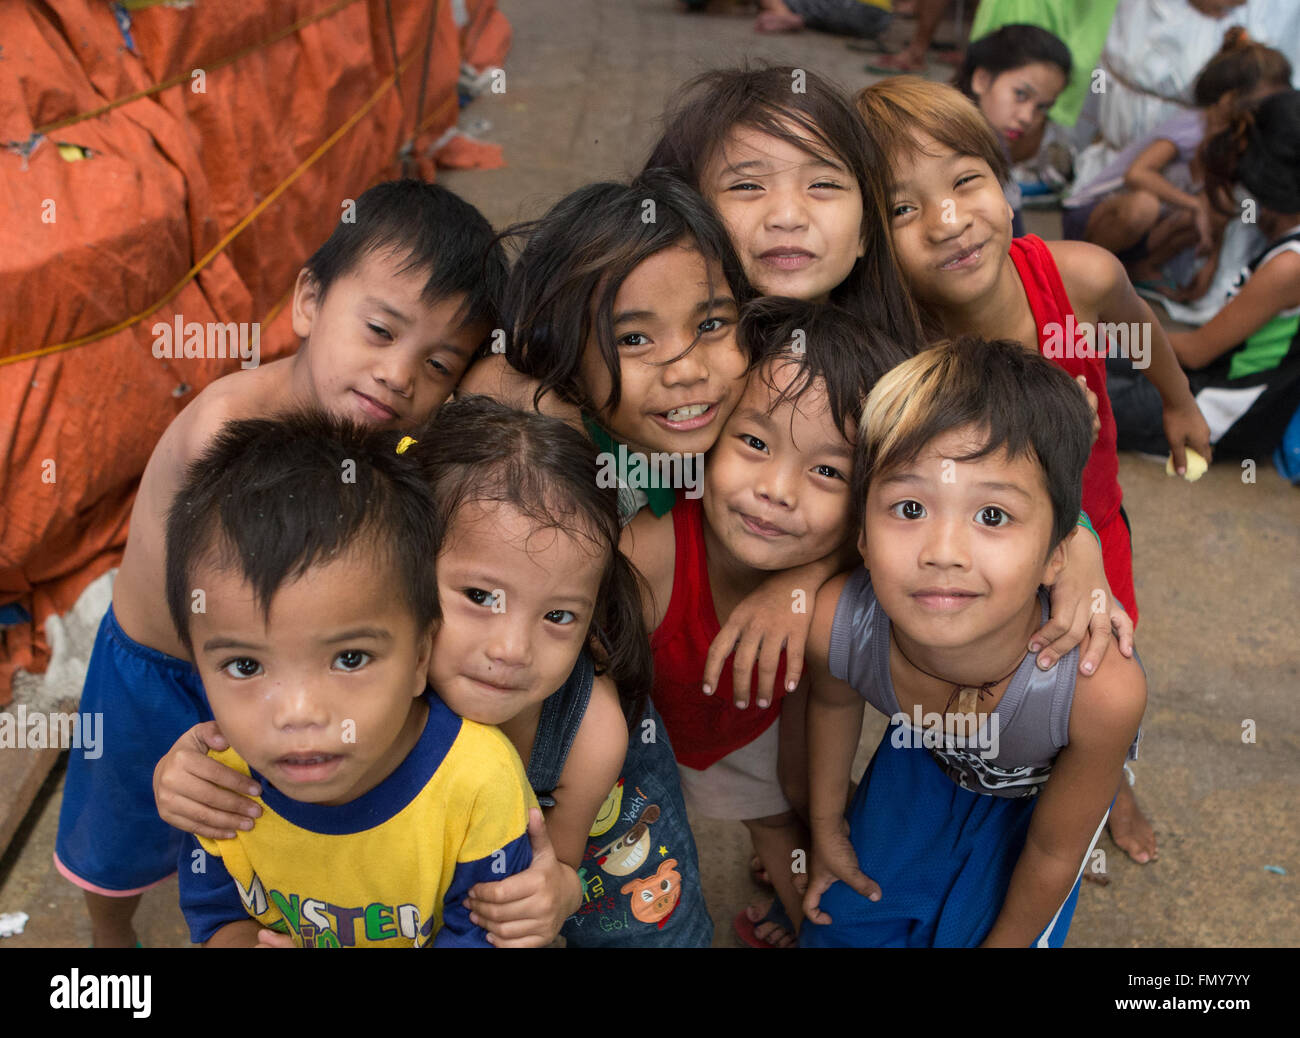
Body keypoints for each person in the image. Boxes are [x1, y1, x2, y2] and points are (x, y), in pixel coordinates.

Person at [54, 179, 507, 947]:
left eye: (438, 365)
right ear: (307, 304)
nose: (399, 375)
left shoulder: (386, 443)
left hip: (281, 659)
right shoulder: (226, 433)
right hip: (164, 666)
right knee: (125, 819)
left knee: (259, 811)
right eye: (378, 329)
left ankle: (269, 910)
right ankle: (109, 935)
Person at [156, 397, 710, 947]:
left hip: (610, 855)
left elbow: (558, 861)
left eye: (559, 615)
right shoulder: (340, 675)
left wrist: (561, 893)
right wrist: (180, 775)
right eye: (478, 596)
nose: (513, 648)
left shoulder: (593, 730)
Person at [855, 75, 1212, 862]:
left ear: (1007, 184)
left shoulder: (1076, 276)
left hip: (1097, 519)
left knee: (1101, 660)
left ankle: (1105, 776)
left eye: (965, 181)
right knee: (1009, 675)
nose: (948, 222)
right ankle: (1006, 775)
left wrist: (1180, 403)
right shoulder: (904, 354)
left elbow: (1139, 329)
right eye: (903, 209)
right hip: (986, 548)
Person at [801, 337, 1147, 946]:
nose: (942, 553)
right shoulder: (840, 624)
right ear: (861, 534)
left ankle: (1110, 786)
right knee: (841, 920)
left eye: (992, 516)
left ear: (1056, 557)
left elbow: (1049, 851)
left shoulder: (1099, 692)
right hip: (923, 762)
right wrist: (827, 830)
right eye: (909, 507)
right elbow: (831, 705)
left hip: (1032, 797)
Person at [167, 412, 534, 947]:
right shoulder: (217, 785)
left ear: (419, 655)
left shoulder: (476, 784)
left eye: (350, 659)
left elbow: (487, 934)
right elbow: (215, 912)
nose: (298, 712)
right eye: (245, 666)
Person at [621, 298, 903, 946]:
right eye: (753, 442)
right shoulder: (645, 555)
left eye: (829, 471)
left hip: (752, 728)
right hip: (645, 740)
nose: (777, 488)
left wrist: (802, 584)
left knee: (784, 820)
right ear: (707, 432)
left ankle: (815, 921)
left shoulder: (844, 583)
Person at [1110, 89, 1300, 460]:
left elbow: (1197, 351)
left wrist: (1112, 333)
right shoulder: (1286, 242)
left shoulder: (1290, 265)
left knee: (1065, 393)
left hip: (1220, 410)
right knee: (1076, 356)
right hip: (1206, 379)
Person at [1062, 29, 1292, 301]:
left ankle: (1138, 269)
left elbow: (1222, 208)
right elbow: (1137, 174)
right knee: (1144, 206)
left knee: (1213, 211)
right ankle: (1079, 273)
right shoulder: (1192, 127)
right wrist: (1192, 205)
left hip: (1142, 232)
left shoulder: (1231, 144)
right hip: (1096, 216)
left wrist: (1211, 265)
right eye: (1261, 105)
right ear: (1230, 99)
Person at [954, 24, 1074, 236]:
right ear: (981, 79)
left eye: (1042, 107)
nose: (1028, 118)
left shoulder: (993, 144)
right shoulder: (953, 147)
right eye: (1020, 94)